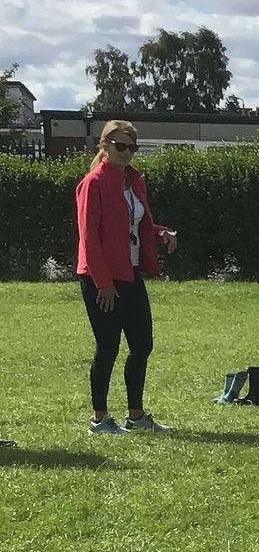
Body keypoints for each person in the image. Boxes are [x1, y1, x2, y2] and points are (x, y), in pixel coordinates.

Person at [76, 120, 176, 435]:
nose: (127, 153)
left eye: (132, 147)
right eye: (120, 146)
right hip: (100, 277)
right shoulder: (93, 182)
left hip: (130, 272)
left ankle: (136, 416)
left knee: (142, 344)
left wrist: (161, 233)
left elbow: (138, 224)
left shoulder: (133, 181)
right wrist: (103, 283)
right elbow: (89, 237)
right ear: (104, 146)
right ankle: (99, 419)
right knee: (107, 346)